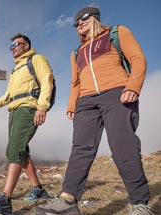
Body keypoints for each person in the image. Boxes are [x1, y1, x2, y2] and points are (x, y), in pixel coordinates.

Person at [35, 6, 154, 215]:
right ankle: (68, 200)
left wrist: (133, 86)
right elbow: (75, 82)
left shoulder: (117, 33)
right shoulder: (77, 52)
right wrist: (72, 105)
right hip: (86, 101)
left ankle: (140, 203)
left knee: (122, 145)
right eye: (76, 23)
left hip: (117, 92)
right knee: (81, 148)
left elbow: (137, 59)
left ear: (95, 18)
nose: (79, 24)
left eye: (83, 19)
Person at [0, 33, 55, 215]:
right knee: (22, 151)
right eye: (11, 46)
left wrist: (42, 107)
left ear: (26, 45)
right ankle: (38, 190)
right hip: (14, 111)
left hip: (28, 108)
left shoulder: (37, 59)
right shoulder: (16, 69)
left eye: (16, 44)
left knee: (15, 149)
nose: (13, 48)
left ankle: (5, 199)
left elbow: (47, 81)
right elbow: (9, 95)